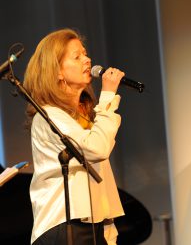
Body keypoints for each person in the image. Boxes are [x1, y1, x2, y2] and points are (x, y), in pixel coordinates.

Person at [23, 28, 126, 245]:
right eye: (76, 56)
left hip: (92, 225)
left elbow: (100, 176)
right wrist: (107, 96)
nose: (87, 60)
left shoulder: (83, 117)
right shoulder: (49, 116)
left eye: (85, 54)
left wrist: (108, 228)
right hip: (65, 225)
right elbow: (97, 149)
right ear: (57, 71)